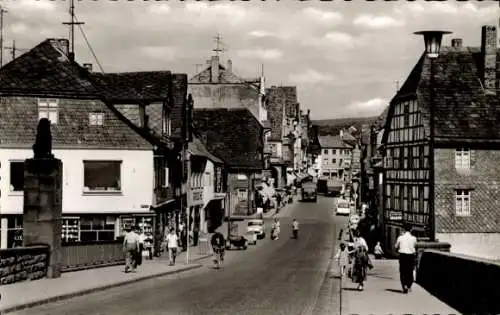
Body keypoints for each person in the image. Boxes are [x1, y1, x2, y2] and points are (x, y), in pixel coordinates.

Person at [395, 223, 417, 294]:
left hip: (403, 255)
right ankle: (409, 285)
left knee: (403, 271)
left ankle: (404, 285)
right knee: (410, 271)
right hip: (410, 255)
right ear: (411, 229)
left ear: (404, 229)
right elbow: (415, 246)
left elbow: (396, 246)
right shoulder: (414, 238)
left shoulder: (400, 237)